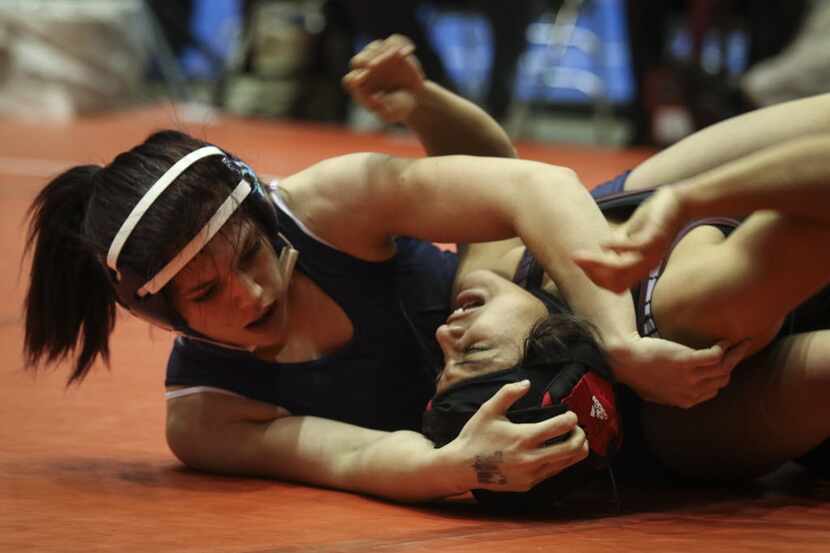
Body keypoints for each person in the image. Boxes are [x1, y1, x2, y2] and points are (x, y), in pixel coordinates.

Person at [21, 35, 723, 503]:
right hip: (573, 444)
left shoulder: (328, 203)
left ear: (263, 216)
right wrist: (462, 464)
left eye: (250, 254)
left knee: (715, 295)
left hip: (568, 309)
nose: (252, 292)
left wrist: (620, 343)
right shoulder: (210, 411)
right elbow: (348, 458)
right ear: (162, 315)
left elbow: (527, 185)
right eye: (207, 293)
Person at [423, 92, 830, 506]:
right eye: (474, 349)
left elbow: (485, 167)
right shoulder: (691, 309)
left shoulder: (499, 281)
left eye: (444, 363)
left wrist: (418, 101)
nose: (444, 333)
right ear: (550, 353)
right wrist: (690, 199)